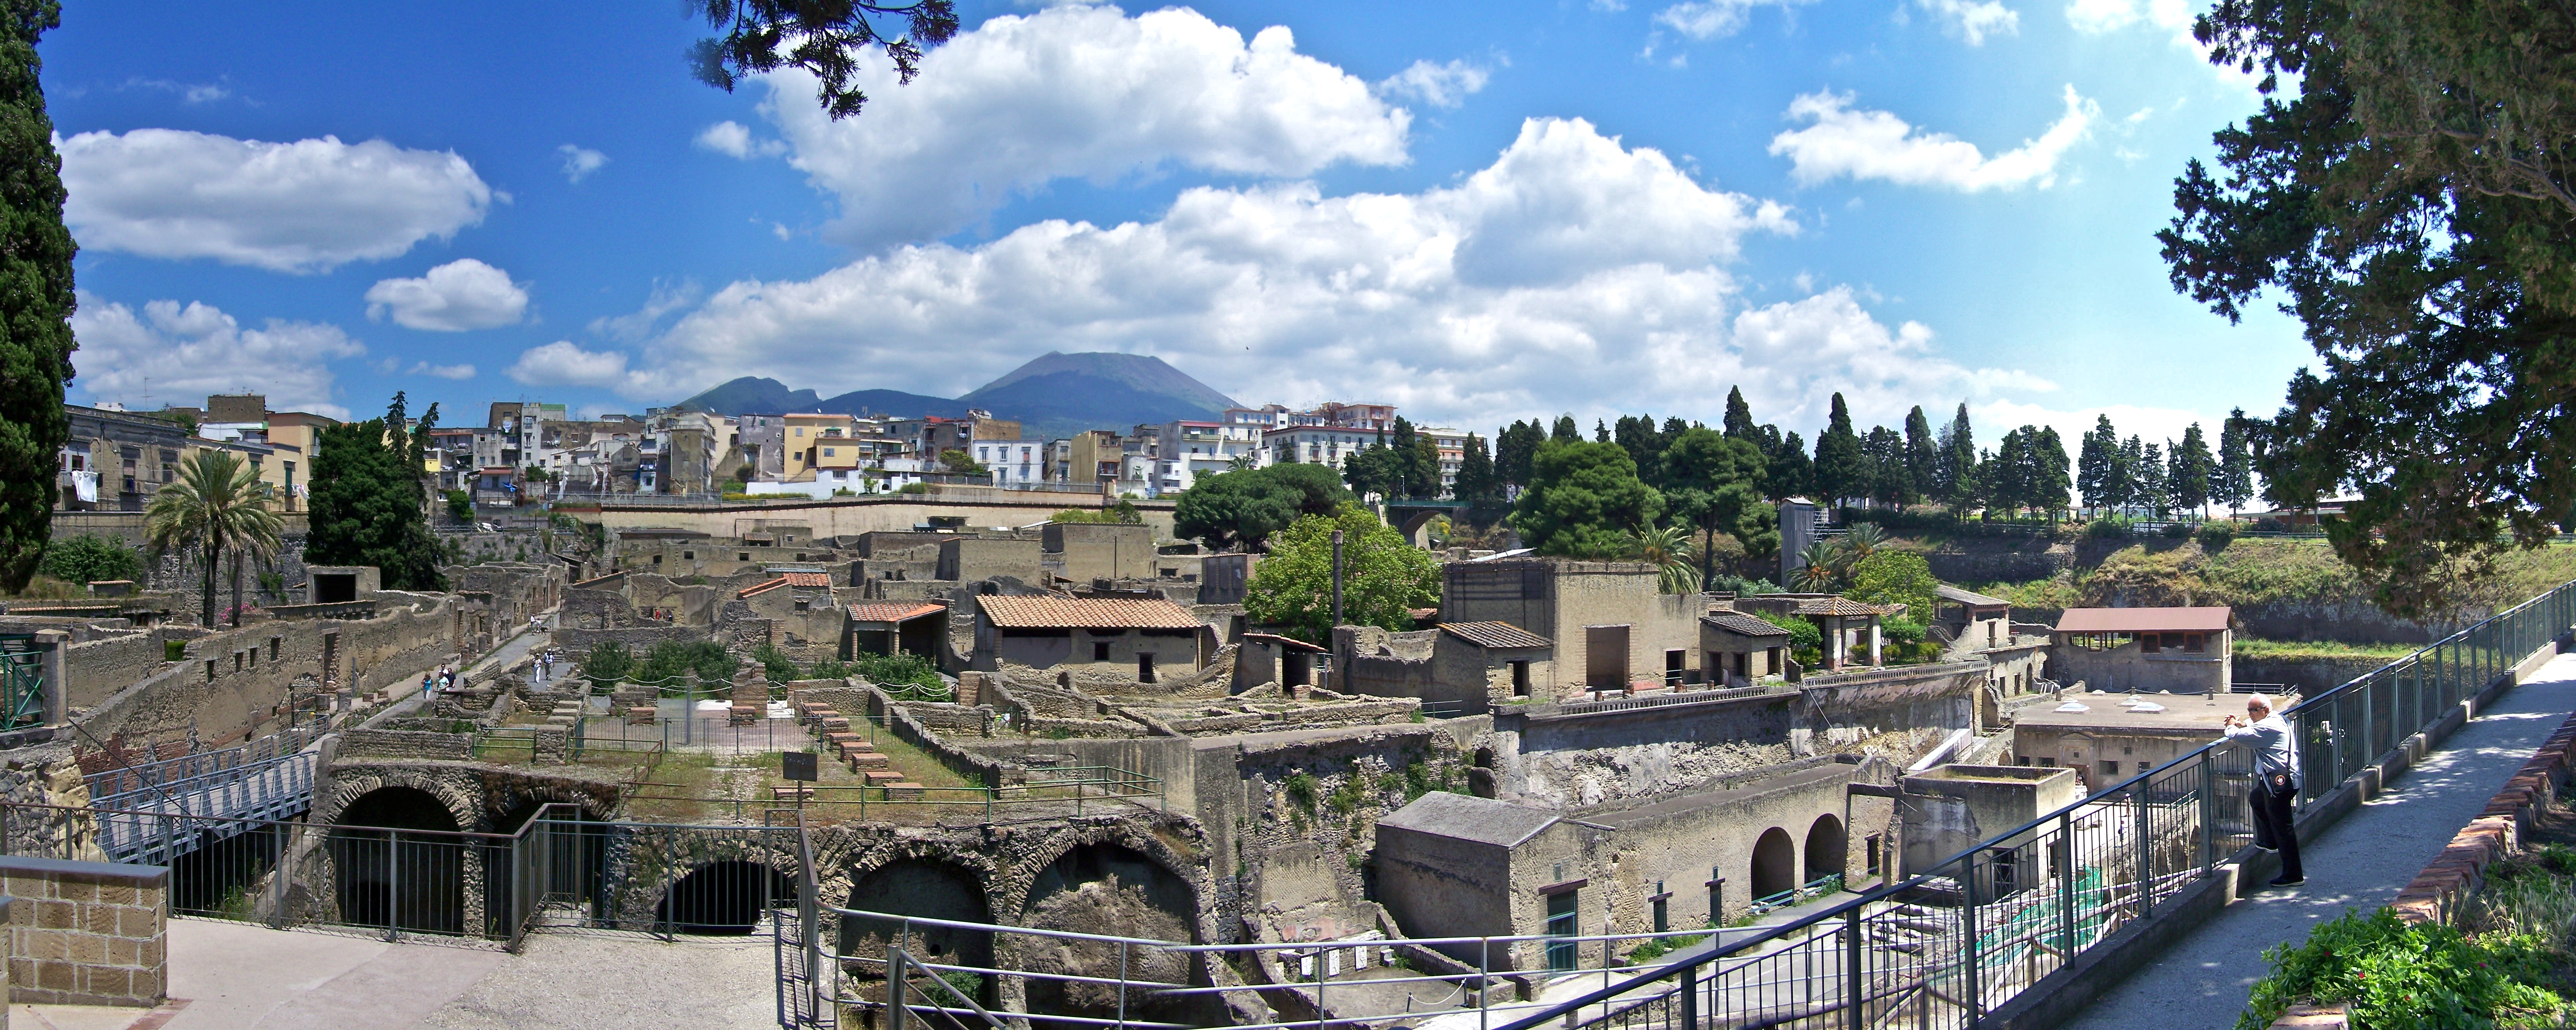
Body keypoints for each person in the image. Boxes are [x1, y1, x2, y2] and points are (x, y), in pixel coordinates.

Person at [2221, 694, 2303, 887]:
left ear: (2265, 710)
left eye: (2253, 710)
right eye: (2248, 710)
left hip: (2281, 783)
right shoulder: (2277, 718)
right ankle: (2269, 841)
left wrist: (2232, 725)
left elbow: (2236, 737)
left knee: (2284, 828)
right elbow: (2254, 726)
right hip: (2274, 781)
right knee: (2257, 799)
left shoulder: (2270, 727)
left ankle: (2293, 876)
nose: (2250, 714)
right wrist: (2245, 723)